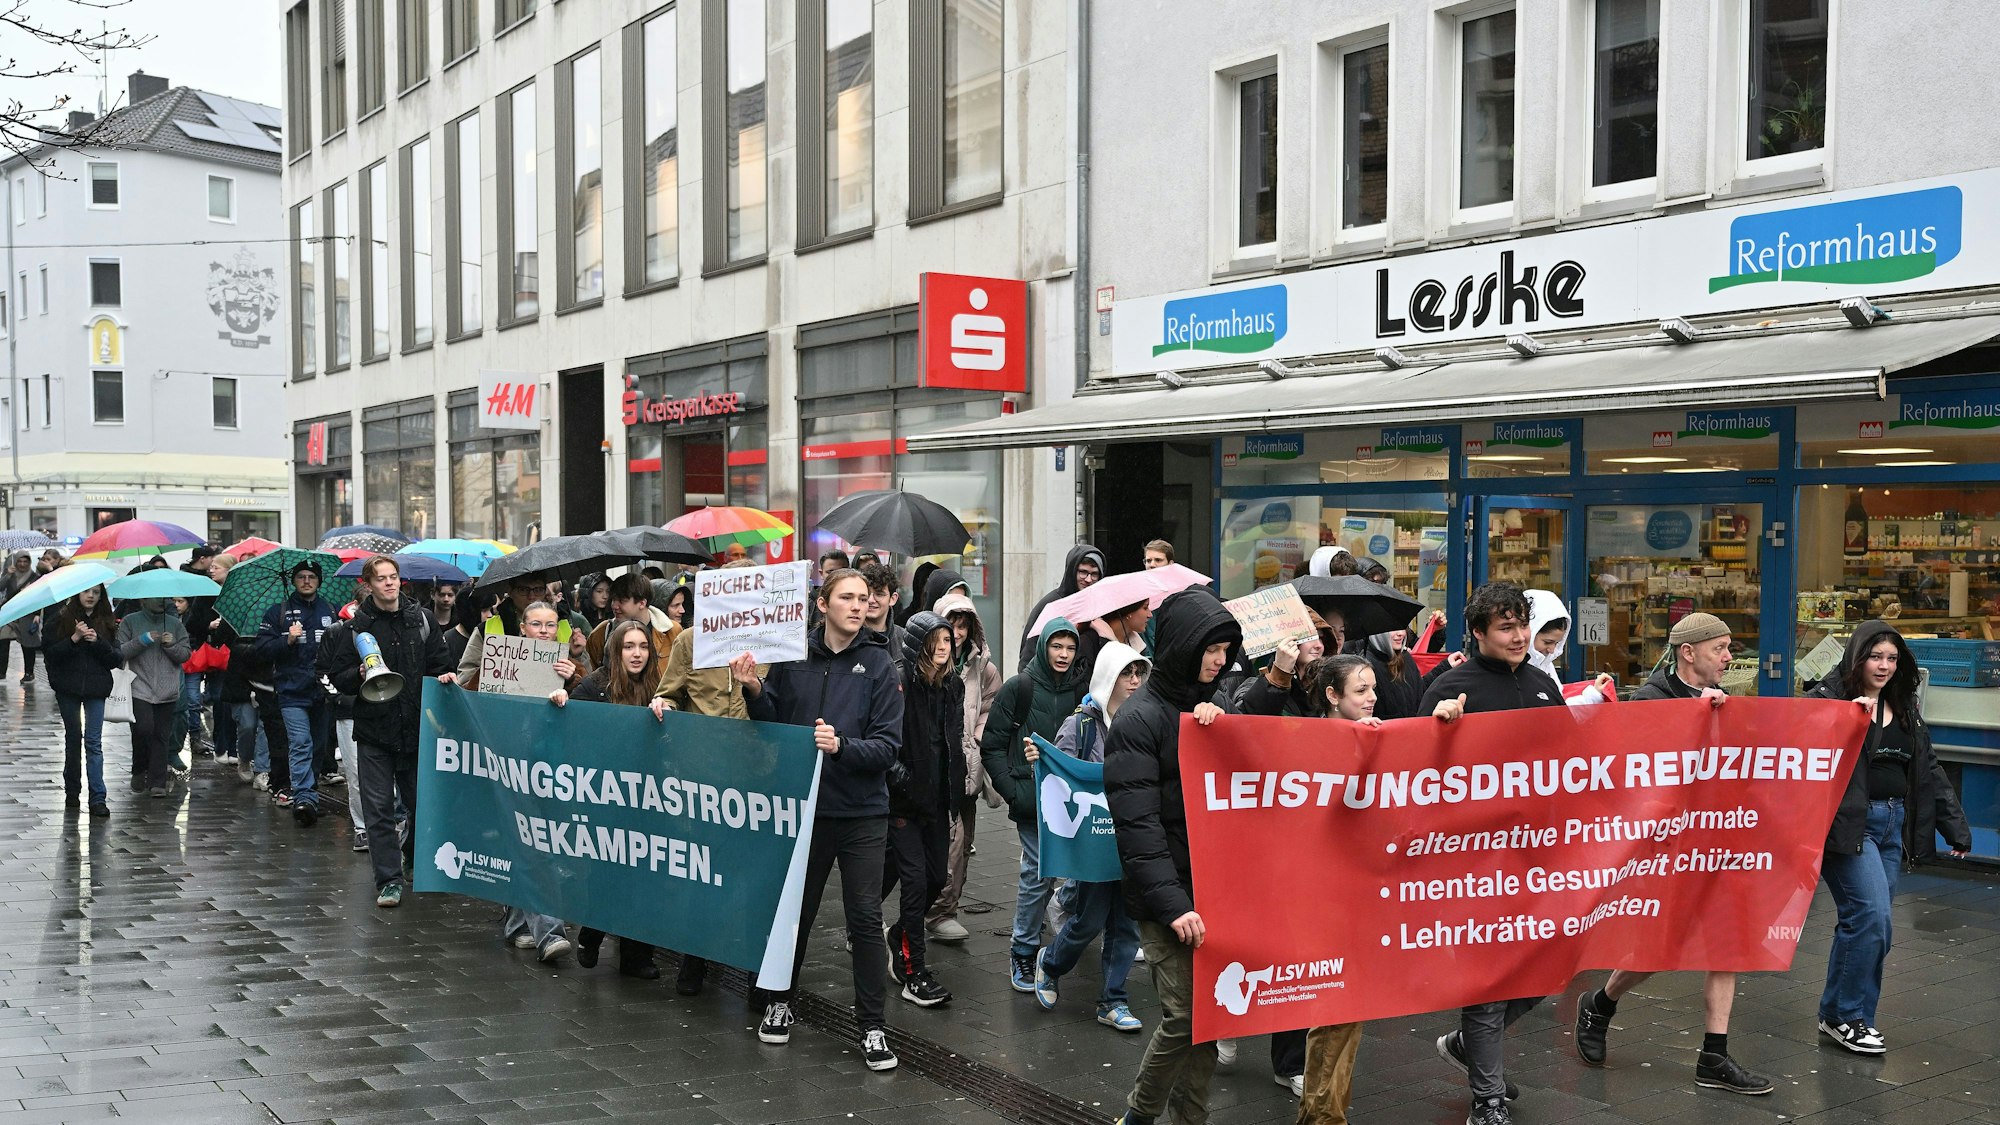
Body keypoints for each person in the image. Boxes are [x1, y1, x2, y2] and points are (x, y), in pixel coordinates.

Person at [1570, 611, 1769, 1094]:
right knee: (1661, 945)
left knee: (1727, 942)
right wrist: (1697, 717)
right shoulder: (1651, 699)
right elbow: (1644, 776)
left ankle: (1714, 1056)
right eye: (1719, 648)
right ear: (1688, 652)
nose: (1728, 658)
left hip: (1716, 842)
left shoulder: (1723, 699)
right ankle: (1601, 1002)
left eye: (1728, 649)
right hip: (1668, 847)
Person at [735, 567, 903, 1072]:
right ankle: (781, 1001)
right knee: (794, 915)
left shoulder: (880, 665)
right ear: (822, 604)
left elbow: (888, 746)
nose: (858, 605)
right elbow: (774, 721)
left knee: (865, 919)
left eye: (864, 598)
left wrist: (842, 745)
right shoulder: (793, 655)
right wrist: (753, 690)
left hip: (861, 814)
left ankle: (872, 1026)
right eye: (847, 597)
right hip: (803, 810)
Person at [1418, 581, 1565, 1125]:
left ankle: (1468, 1045)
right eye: (1506, 627)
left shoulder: (1541, 683)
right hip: (1474, 865)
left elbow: (1573, 764)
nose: (1521, 636)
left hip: (1537, 858)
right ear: (1478, 633)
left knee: (1549, 968)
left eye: (1522, 624)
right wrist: (1440, 732)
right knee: (1489, 981)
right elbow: (1414, 776)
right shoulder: (1451, 688)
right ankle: (1488, 1099)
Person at [1105, 588, 1239, 1125]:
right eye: (1211, 648)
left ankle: (1191, 1117)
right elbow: (1137, 827)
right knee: (1186, 1018)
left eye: (1227, 649)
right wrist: (1172, 904)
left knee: (1209, 1017)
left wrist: (1221, 729)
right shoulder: (1138, 722)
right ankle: (1139, 1114)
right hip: (1168, 901)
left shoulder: (1212, 706)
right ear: (1184, 645)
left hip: (1213, 888)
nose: (1220, 660)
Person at [1808, 621, 1970, 1055]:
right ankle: (1849, 1018)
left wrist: (1954, 826)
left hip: (1891, 825)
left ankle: (1841, 1014)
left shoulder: (1905, 704)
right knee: (1872, 919)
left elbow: (1928, 767)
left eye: (1892, 659)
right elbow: (1795, 744)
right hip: (1848, 828)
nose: (1884, 666)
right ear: (1857, 658)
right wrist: (1846, 722)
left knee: (1867, 924)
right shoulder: (1828, 700)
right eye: (1876, 657)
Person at [647, 565, 764, 995]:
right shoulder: (689, 642)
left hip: (759, 774)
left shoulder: (777, 644)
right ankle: (696, 957)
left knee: (756, 874)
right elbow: (668, 691)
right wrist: (664, 706)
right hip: (706, 777)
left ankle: (757, 972)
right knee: (705, 871)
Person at [323, 555, 457, 909]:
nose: (389, 583)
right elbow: (338, 676)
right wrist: (360, 676)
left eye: (393, 577)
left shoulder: (423, 620)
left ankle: (413, 859)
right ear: (368, 584)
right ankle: (389, 880)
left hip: (415, 729)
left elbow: (440, 664)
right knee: (379, 810)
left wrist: (444, 676)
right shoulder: (356, 627)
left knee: (422, 806)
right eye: (381, 578)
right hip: (374, 732)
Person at [1034, 641, 1149, 1035]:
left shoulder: (1144, 720)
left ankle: (1114, 1000)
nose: (1134, 681)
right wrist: (1040, 759)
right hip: (1095, 839)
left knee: (1128, 923)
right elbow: (1061, 772)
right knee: (1089, 919)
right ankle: (1050, 964)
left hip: (1133, 837)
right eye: (1126, 674)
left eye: (1138, 673)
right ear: (1107, 678)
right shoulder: (1081, 724)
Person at [1290, 653, 1381, 1123]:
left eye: (1372, 688)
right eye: (1360, 690)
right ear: (1332, 696)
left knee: (1349, 1008)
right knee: (1335, 1005)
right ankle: (1326, 1117)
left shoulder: (1379, 735)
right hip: (1322, 895)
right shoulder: (1308, 742)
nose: (1371, 697)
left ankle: (1321, 1114)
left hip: (1360, 893)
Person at [559, 618, 666, 977]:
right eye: (628, 646)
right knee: (608, 872)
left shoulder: (660, 685)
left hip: (650, 795)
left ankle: (638, 956)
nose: (637, 654)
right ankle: (592, 932)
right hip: (606, 795)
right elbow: (571, 726)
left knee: (645, 875)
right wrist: (561, 699)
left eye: (643, 647)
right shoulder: (594, 685)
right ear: (616, 650)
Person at [985, 615, 1087, 991]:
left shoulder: (1083, 691)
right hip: (1032, 800)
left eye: (1070, 647)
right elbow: (992, 744)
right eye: (1056, 646)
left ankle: (1059, 915)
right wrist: (1014, 791)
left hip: (1074, 801)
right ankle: (1024, 952)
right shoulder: (1020, 687)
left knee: (1079, 873)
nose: (1063, 654)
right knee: (1038, 874)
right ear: (1044, 647)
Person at [486, 602, 578, 962]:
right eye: (536, 624)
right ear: (522, 628)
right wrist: (452, 681)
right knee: (533, 844)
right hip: (512, 766)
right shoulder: (504, 661)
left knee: (534, 844)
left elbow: (591, 701)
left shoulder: (570, 666)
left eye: (550, 625)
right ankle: (549, 932)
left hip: (553, 769)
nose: (543, 631)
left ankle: (517, 924)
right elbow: (481, 697)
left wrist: (571, 681)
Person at [884, 612, 961, 1008]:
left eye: (949, 640)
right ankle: (915, 973)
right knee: (914, 883)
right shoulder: (899, 682)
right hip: (902, 802)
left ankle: (899, 934)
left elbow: (951, 742)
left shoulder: (954, 686)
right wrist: (901, 779)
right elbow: (883, 739)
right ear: (920, 645)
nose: (945, 648)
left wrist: (957, 790)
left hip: (936, 800)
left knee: (935, 879)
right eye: (937, 640)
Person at [924, 591, 1001, 945]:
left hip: (964, 767)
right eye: (951, 623)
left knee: (961, 842)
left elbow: (991, 707)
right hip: (928, 768)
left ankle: (943, 911)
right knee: (928, 845)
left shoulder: (982, 666)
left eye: (963, 624)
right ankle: (922, 908)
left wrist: (976, 742)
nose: (957, 632)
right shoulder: (924, 662)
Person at [254, 559, 337, 827]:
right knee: (300, 742)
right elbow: (262, 651)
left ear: (319, 581)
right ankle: (304, 797)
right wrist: (286, 640)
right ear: (293, 581)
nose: (306, 581)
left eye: (311, 577)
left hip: (321, 691)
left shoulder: (330, 611)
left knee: (319, 746)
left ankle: (310, 793)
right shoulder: (276, 613)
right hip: (291, 691)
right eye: (301, 576)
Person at [44, 584, 122, 817]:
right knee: (73, 739)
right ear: (77, 593)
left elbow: (116, 659)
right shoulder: (60, 618)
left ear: (102, 596)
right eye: (87, 591)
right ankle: (72, 792)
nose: (91, 596)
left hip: (96, 689)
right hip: (67, 688)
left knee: (93, 742)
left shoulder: (108, 621)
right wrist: (74, 638)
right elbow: (50, 654)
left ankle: (98, 798)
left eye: (96, 593)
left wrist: (98, 642)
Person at [116, 596, 191, 798]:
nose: (160, 600)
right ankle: (139, 768)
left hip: (167, 691)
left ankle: (157, 782)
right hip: (139, 688)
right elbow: (120, 651)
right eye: (154, 597)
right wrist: (142, 640)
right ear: (143, 600)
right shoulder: (130, 621)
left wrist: (171, 645)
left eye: (163, 597)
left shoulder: (174, 624)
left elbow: (185, 654)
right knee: (143, 729)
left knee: (161, 735)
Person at [1021, 544, 1106, 670]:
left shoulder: (1100, 607)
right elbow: (1028, 654)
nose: (1088, 579)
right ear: (1072, 571)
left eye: (1094, 574)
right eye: (1083, 572)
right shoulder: (1051, 605)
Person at [582, 573, 679, 670]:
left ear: (642, 603)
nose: (614, 606)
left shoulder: (672, 630)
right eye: (613, 600)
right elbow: (591, 676)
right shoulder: (601, 633)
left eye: (622, 600)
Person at [1348, 628, 1421, 720]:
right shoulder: (1366, 667)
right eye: (1393, 629)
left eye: (1403, 628)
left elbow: (1420, 693)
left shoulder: (1406, 658)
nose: (1401, 634)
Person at [0, 552, 41, 683]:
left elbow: (39, 598)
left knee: (28, 644)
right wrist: (8, 574)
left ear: (29, 563)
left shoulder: (35, 577)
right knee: (2, 641)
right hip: (10, 614)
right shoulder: (10, 575)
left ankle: (29, 673)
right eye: (20, 561)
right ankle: (1, 672)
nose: (22, 564)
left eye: (25, 561)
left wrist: (37, 614)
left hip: (27, 614)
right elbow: (1, 587)